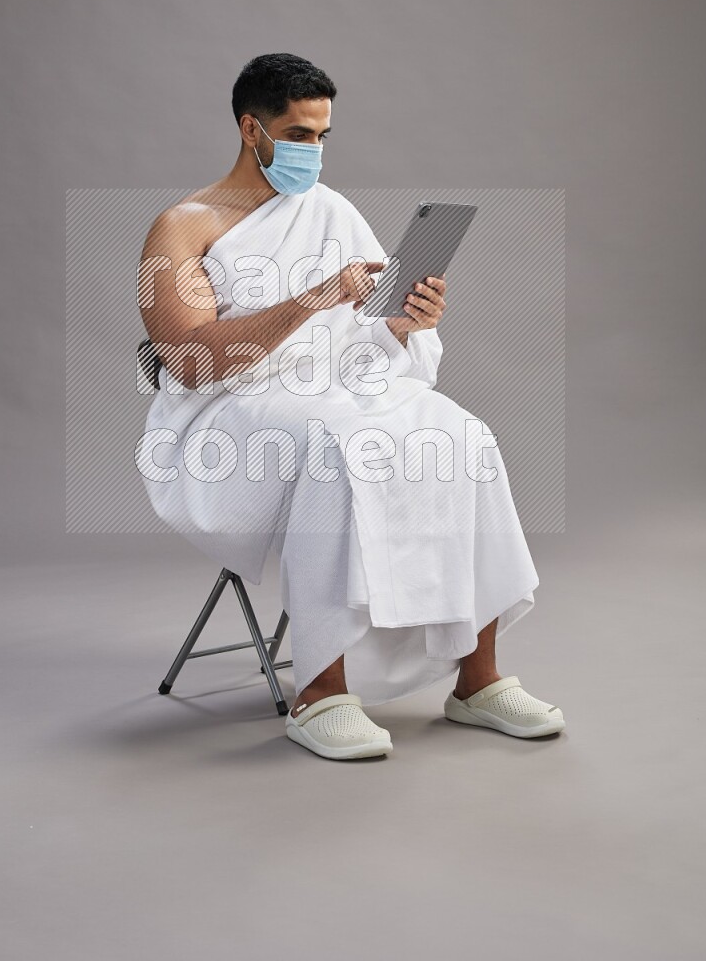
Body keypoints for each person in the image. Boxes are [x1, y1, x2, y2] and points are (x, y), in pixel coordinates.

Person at [136, 52, 565, 761]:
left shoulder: (329, 210)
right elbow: (190, 362)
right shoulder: (181, 227)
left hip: (338, 387)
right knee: (339, 446)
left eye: (322, 136)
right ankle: (321, 692)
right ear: (252, 128)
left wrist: (406, 323)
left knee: (464, 435)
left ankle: (478, 681)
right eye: (299, 135)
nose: (314, 152)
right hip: (229, 410)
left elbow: (363, 331)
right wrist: (313, 299)